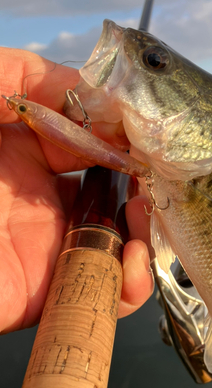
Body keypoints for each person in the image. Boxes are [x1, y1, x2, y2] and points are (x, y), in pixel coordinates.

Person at [0, 47, 154, 334]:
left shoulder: (31, 112)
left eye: (20, 106)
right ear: (29, 116)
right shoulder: (31, 114)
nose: (18, 105)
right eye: (21, 108)